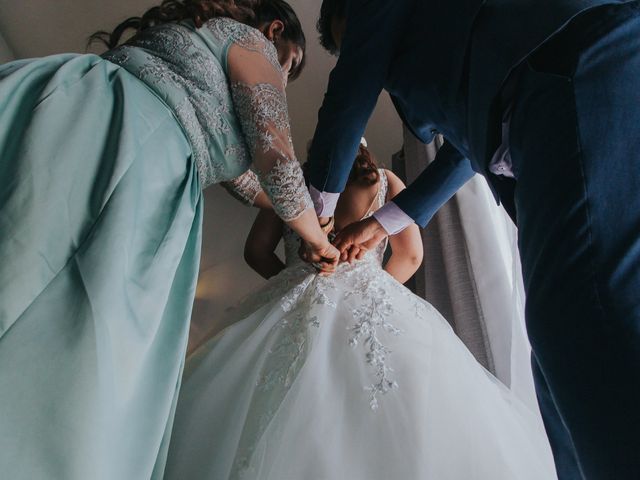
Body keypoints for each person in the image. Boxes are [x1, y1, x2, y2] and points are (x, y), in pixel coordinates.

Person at [0, 1, 339, 478]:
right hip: (137, 151)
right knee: (85, 335)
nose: (283, 78)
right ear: (275, 29)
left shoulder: (199, 39)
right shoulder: (251, 42)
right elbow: (278, 160)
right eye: (290, 65)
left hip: (78, 105)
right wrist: (319, 241)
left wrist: (299, 215)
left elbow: (247, 185)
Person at [305, 1, 640, 478]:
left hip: (572, 70)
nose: (376, 64)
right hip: (567, 92)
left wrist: (314, 216)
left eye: (353, 39)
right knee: (557, 346)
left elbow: (349, 91)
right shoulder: (462, 58)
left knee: (580, 311)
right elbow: (464, 150)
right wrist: (382, 224)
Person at [163, 139, 557, 480]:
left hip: (300, 289)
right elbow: (411, 256)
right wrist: (372, 288)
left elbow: (255, 252)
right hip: (372, 300)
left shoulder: (291, 181)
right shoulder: (385, 181)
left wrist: (294, 279)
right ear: (363, 151)